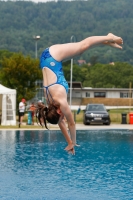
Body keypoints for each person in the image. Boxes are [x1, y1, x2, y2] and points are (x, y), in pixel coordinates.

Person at [37, 33, 123, 155]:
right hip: (47, 59)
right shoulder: (51, 105)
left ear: (58, 111)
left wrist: (74, 142)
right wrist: (69, 142)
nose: (63, 118)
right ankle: (104, 42)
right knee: (80, 50)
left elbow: (71, 124)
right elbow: (61, 123)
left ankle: (109, 37)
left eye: (61, 116)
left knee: (82, 46)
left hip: (53, 55)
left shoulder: (61, 102)